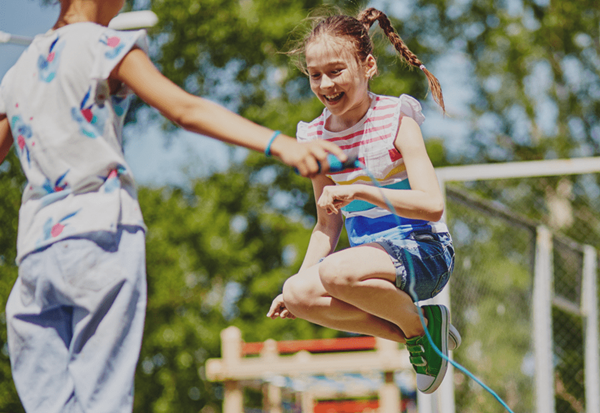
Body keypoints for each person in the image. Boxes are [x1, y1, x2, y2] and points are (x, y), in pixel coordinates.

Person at [0, 1, 347, 412]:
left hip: (37, 254)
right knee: (101, 399)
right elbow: (185, 109)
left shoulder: (19, 71)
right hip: (100, 237)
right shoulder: (105, 45)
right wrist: (281, 144)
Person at [267, 7, 460, 394]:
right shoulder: (315, 137)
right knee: (298, 292)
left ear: (368, 65)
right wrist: (300, 282)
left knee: (337, 273)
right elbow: (327, 224)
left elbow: (432, 204)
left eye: (336, 71)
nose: (325, 84)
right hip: (368, 266)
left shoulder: (396, 118)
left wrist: (362, 191)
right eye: (315, 74)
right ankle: (419, 333)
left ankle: (421, 329)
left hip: (423, 253)